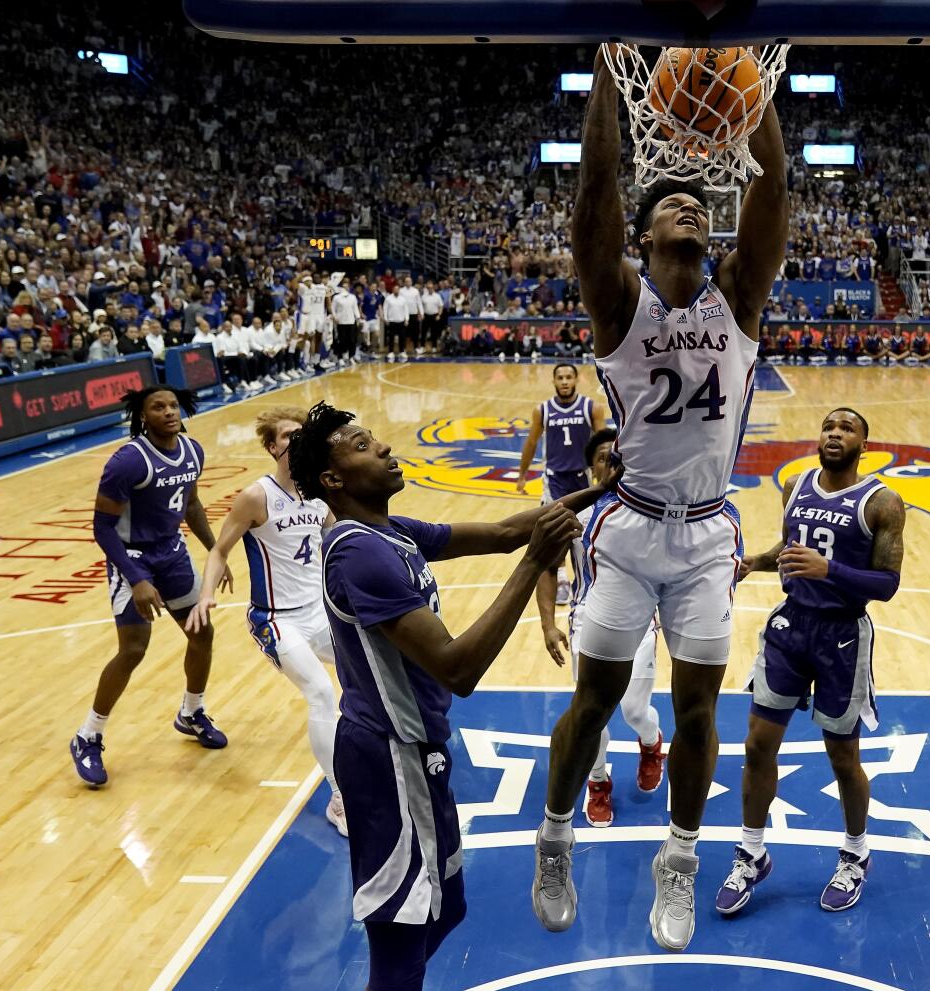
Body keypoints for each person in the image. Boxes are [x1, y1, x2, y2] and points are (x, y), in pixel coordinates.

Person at [532, 42, 788, 953]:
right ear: (641, 239)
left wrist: (744, 86)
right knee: (594, 701)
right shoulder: (619, 305)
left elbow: (774, 186)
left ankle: (677, 863)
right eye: (668, 203)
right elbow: (598, 185)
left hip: (710, 536)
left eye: (697, 203)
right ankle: (554, 836)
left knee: (696, 713)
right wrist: (609, 60)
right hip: (630, 528)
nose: (689, 202)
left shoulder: (739, 303)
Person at [286, 401, 597, 991]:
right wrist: (538, 561)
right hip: (387, 756)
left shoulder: (391, 531)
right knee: (399, 942)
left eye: (373, 437)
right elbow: (459, 668)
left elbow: (507, 532)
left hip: (420, 753)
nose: (380, 447)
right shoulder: (358, 552)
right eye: (360, 446)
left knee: (445, 909)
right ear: (333, 480)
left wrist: (605, 488)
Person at [717, 408, 905, 916]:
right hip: (790, 626)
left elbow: (888, 583)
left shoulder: (882, 502)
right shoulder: (795, 485)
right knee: (757, 744)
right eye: (829, 427)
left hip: (842, 635)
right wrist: (755, 562)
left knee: (843, 757)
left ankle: (855, 854)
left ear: (865, 443)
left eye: (847, 429)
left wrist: (831, 570)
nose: (835, 434)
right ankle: (751, 853)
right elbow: (793, 545)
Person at [184, 407, 347, 836]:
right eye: (289, 436)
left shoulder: (319, 494)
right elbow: (219, 550)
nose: (297, 441)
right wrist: (205, 597)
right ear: (273, 446)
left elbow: (340, 537)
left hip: (320, 613)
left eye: (303, 435)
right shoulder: (257, 496)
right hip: (276, 621)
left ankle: (377, 756)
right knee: (319, 693)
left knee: (373, 668)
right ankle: (339, 798)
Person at [69, 388, 232, 787]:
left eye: (173, 405)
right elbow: (102, 528)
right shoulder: (128, 461)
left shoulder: (192, 450)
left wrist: (217, 552)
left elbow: (191, 506)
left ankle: (191, 712)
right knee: (134, 649)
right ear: (143, 416)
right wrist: (136, 578)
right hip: (132, 558)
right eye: (158, 407)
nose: (169, 412)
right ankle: (88, 735)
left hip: (172, 552)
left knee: (202, 632)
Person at [534, 427, 665, 827]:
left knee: (632, 709)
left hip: (641, 622)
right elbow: (547, 566)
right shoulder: (573, 512)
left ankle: (651, 742)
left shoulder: (649, 510)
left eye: (617, 456)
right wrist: (547, 624)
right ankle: (598, 783)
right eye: (603, 456)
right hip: (587, 620)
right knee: (593, 717)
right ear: (591, 467)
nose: (611, 462)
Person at [517, 362, 610, 603]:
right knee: (557, 533)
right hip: (554, 480)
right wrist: (522, 474)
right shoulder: (543, 410)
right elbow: (531, 442)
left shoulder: (592, 407)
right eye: (560, 377)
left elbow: (603, 444)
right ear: (554, 381)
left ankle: (587, 577)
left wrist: (605, 476)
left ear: (576, 380)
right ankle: (560, 578)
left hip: (582, 479)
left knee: (583, 533)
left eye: (569, 377)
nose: (565, 381)